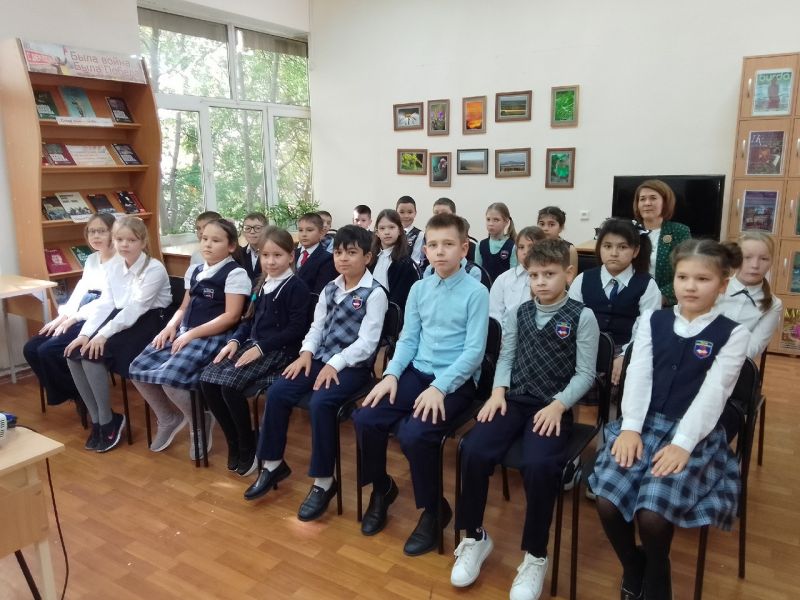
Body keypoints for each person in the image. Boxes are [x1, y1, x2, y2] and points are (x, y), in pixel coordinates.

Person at [589, 239, 749, 600]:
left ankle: (658, 574)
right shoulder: (653, 320)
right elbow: (638, 375)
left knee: (652, 515)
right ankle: (633, 565)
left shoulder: (733, 333)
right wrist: (630, 428)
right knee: (607, 502)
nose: (690, 286)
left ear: (722, 285)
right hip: (643, 424)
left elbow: (714, 394)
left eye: (703, 279)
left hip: (691, 434)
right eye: (683, 277)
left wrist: (682, 444)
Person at [451, 239, 599, 599]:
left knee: (539, 466)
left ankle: (535, 555)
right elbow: (506, 357)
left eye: (549, 274)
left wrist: (560, 405)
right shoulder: (518, 312)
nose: (541, 282)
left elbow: (585, 374)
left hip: (552, 406)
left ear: (568, 274)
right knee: (473, 449)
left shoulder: (583, 316)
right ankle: (474, 536)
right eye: (534, 275)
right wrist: (497, 392)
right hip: (514, 399)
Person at [354, 213, 489, 556]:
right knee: (366, 417)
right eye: (432, 244)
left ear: (464, 249)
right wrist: (390, 375)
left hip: (456, 381)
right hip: (417, 373)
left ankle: (434, 509)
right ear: (424, 249)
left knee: (414, 434)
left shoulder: (476, 292)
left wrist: (440, 387)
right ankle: (382, 488)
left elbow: (474, 353)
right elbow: (409, 339)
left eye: (448, 244)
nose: (439, 251)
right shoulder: (419, 288)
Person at [243, 225, 388, 523]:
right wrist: (306, 353)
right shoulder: (329, 288)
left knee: (321, 403)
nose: (343, 258)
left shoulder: (375, 294)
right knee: (279, 391)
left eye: (351, 253)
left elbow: (367, 343)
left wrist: (336, 363)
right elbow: (316, 327)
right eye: (338, 252)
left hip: (353, 367)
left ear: (368, 257)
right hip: (319, 358)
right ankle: (272, 464)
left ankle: (324, 481)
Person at [128, 219, 250, 459]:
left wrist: (191, 333)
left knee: (169, 379)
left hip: (212, 337)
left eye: (216, 240)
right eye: (204, 239)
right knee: (136, 369)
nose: (207, 244)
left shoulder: (236, 273)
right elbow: (184, 307)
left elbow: (231, 316)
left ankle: (199, 422)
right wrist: (170, 326)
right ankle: (168, 418)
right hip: (185, 332)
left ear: (231, 246)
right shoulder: (194, 270)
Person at [200, 227, 311, 476]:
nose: (270, 261)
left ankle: (247, 444)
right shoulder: (261, 284)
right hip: (254, 346)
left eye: (277, 255)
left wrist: (260, 348)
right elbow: (248, 320)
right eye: (265, 255)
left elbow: (296, 330)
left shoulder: (296, 287)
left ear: (291, 256)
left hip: (280, 352)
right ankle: (234, 439)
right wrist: (235, 341)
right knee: (207, 380)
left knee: (229, 386)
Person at [65, 217, 172, 453]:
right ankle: (97, 419)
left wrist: (102, 335)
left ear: (143, 242)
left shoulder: (153, 268)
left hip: (149, 322)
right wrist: (86, 334)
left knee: (93, 355)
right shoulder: (114, 266)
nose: (124, 244)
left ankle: (108, 421)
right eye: (119, 239)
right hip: (121, 318)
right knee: (74, 352)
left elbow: (136, 308)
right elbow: (106, 303)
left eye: (131, 240)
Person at [24, 213, 117, 408]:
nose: (95, 236)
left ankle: (81, 396)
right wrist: (63, 316)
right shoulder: (92, 259)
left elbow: (107, 302)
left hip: (101, 315)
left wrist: (74, 318)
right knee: (31, 348)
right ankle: (77, 393)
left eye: (101, 231)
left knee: (48, 350)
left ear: (113, 232)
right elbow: (81, 290)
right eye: (91, 231)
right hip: (82, 309)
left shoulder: (120, 261)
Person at [568, 218, 661, 384]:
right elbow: (571, 320)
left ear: (635, 251)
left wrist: (625, 355)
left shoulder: (648, 285)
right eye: (607, 246)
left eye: (622, 247)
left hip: (628, 350)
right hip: (585, 349)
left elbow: (646, 329)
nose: (614, 253)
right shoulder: (582, 279)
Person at [717, 232, 782, 359]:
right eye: (747, 257)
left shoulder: (774, 304)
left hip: (736, 364)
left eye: (764, 259)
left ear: (772, 262)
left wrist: (724, 361)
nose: (755, 265)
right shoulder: (714, 288)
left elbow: (753, 347)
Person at [633, 179, 691, 306]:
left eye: (653, 198)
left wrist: (658, 297)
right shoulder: (629, 231)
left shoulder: (679, 231)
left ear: (665, 202)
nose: (647, 203)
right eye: (642, 199)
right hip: (631, 299)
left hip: (664, 301)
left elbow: (688, 272)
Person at [489, 226, 545, 325]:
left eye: (531, 247)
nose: (525, 252)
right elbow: (494, 313)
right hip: (505, 332)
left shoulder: (546, 280)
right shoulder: (504, 279)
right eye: (521, 247)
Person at [370, 209, 419, 309]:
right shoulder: (370, 259)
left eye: (392, 227)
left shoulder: (406, 264)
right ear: (377, 232)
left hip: (392, 313)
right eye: (382, 228)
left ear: (400, 230)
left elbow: (402, 299)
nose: (387, 232)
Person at [295, 212, 338, 294]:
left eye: (309, 230)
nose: (304, 234)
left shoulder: (327, 259)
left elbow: (319, 292)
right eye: (300, 230)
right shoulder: (292, 254)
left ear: (321, 233)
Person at [475, 202, 517, 282]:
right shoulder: (480, 245)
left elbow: (513, 276)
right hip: (484, 288)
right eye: (488, 219)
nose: (491, 224)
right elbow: (477, 273)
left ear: (506, 222)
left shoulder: (512, 246)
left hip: (504, 288)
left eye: (496, 220)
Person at [537, 206, 579, 272]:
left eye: (551, 224)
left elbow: (572, 276)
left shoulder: (570, 250)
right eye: (542, 224)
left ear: (561, 227)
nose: (545, 228)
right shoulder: (532, 246)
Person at [238, 212, 269, 284]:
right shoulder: (239, 254)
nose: (252, 232)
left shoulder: (274, 254)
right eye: (247, 228)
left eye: (257, 228)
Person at [396, 195, 425, 265]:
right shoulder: (392, 232)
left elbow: (416, 259)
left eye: (410, 212)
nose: (406, 216)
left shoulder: (419, 234)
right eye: (402, 212)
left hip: (410, 269)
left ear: (415, 213)